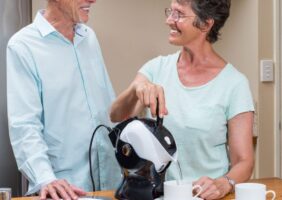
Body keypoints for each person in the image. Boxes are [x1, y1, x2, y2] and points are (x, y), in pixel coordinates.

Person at [110, 0, 254, 199]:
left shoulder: (235, 84)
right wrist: (136, 88)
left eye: (178, 14)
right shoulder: (156, 68)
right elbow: (116, 115)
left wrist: (224, 183)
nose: (169, 20)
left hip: (205, 197)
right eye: (170, 12)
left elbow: (244, 161)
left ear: (205, 24)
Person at [7, 0, 120, 199]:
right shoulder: (23, 46)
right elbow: (25, 125)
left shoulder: (89, 38)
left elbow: (106, 105)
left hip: (110, 185)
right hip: (65, 190)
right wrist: (45, 179)